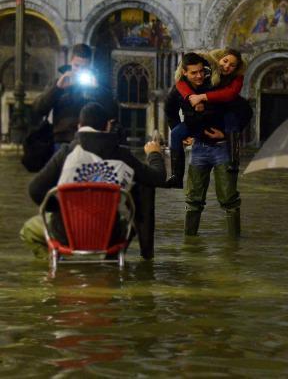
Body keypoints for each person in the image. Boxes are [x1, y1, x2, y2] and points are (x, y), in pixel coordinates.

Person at [20, 103, 166, 258]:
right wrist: (154, 154)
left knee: (28, 230)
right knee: (127, 220)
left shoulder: (66, 153)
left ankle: (57, 268)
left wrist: (60, 209)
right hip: (111, 234)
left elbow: (35, 190)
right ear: (108, 125)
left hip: (65, 232)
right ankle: (114, 265)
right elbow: (157, 177)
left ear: (79, 126)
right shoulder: (122, 155)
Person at [165, 50, 252, 188]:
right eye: (225, 61)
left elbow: (239, 104)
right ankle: (176, 176)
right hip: (197, 134)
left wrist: (224, 133)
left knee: (227, 193)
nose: (199, 76)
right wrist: (189, 97)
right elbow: (170, 109)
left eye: (232, 65)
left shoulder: (221, 82)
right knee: (176, 134)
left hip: (220, 138)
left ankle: (234, 163)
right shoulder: (182, 86)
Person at [32, 43, 119, 151]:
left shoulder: (98, 85)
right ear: (71, 62)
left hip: (91, 141)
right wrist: (57, 88)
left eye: (84, 67)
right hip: (63, 141)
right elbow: (38, 109)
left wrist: (98, 91)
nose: (79, 71)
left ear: (90, 65)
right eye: (76, 66)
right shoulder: (59, 83)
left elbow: (113, 112)